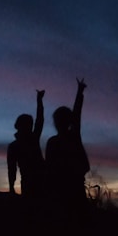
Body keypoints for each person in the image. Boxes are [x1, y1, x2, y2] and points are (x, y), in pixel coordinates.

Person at [44, 78, 90, 217]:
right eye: (57, 120)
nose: (57, 123)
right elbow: (49, 167)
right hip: (60, 191)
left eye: (60, 120)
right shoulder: (53, 142)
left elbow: (77, 115)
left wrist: (79, 93)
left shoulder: (71, 136)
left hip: (72, 189)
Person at [7, 89, 45, 199]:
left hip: (42, 180)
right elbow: (11, 168)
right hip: (30, 182)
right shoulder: (14, 146)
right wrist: (11, 187)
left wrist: (39, 101)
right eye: (28, 125)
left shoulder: (32, 138)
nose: (30, 127)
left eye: (30, 125)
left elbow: (40, 120)